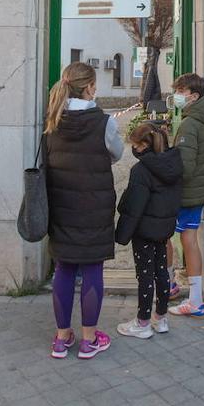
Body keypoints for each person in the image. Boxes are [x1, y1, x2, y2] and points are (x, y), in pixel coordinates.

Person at [44, 62, 124, 359]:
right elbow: (117, 153)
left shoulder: (52, 120)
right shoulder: (104, 122)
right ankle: (89, 339)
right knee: (92, 269)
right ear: (90, 87)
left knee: (64, 269)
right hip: (94, 206)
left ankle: (62, 337)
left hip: (62, 207)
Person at [115, 122, 183, 340]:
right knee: (162, 272)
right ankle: (160, 318)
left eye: (136, 145)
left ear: (144, 145)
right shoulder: (174, 164)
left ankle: (142, 322)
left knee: (144, 275)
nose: (134, 149)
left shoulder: (141, 171)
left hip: (144, 230)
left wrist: (122, 232)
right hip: (164, 229)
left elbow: (134, 206)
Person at [168, 73, 204, 317]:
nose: (177, 95)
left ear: (193, 95)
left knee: (165, 237)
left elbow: (184, 166)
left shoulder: (190, 124)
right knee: (190, 240)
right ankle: (195, 299)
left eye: (181, 91)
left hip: (184, 194)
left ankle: (170, 286)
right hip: (197, 193)